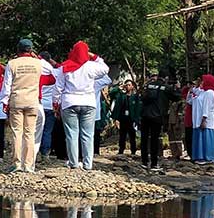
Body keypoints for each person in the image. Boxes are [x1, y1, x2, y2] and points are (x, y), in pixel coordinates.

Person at [54, 41, 109, 170]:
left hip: (69, 103)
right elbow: (105, 68)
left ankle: (73, 163)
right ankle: (88, 164)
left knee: (72, 134)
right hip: (88, 103)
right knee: (88, 134)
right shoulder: (91, 66)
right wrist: (94, 56)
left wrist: (55, 103)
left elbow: (58, 87)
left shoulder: (64, 67)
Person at [1, 38, 49, 172]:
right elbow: (52, 71)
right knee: (30, 133)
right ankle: (29, 165)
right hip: (32, 101)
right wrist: (37, 57)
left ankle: (17, 164)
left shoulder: (12, 64)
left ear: (18, 49)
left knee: (17, 132)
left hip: (17, 100)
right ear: (31, 50)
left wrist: (5, 102)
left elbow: (7, 85)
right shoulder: (39, 64)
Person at [139, 71, 179, 169]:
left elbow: (142, 98)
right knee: (154, 139)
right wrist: (177, 87)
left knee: (144, 139)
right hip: (157, 116)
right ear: (165, 77)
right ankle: (154, 163)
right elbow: (177, 97)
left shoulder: (149, 85)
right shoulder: (166, 88)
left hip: (145, 115)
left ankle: (144, 161)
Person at [190, 75, 214, 164]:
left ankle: (206, 157)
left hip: (206, 120)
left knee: (205, 139)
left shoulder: (209, 93)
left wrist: (204, 119)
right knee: (200, 139)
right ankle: (200, 157)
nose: (202, 83)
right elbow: (191, 97)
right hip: (200, 119)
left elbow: (206, 107)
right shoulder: (204, 92)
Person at [110, 80, 140, 155]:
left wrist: (137, 119)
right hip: (123, 119)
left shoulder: (135, 97)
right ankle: (121, 150)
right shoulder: (121, 96)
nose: (127, 86)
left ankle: (133, 150)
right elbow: (113, 96)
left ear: (132, 86)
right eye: (126, 85)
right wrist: (116, 119)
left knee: (132, 136)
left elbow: (138, 109)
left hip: (131, 119)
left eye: (129, 85)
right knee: (122, 136)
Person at [38, 51, 59, 158]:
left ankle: (35, 152)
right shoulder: (55, 75)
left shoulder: (36, 76)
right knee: (48, 131)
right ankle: (45, 153)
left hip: (39, 105)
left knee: (36, 130)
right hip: (50, 106)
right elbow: (61, 67)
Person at [183, 78, 200, 159]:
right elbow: (187, 100)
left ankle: (194, 154)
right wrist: (189, 91)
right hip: (189, 120)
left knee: (192, 138)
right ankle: (190, 154)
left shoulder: (199, 94)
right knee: (188, 138)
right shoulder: (190, 93)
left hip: (194, 120)